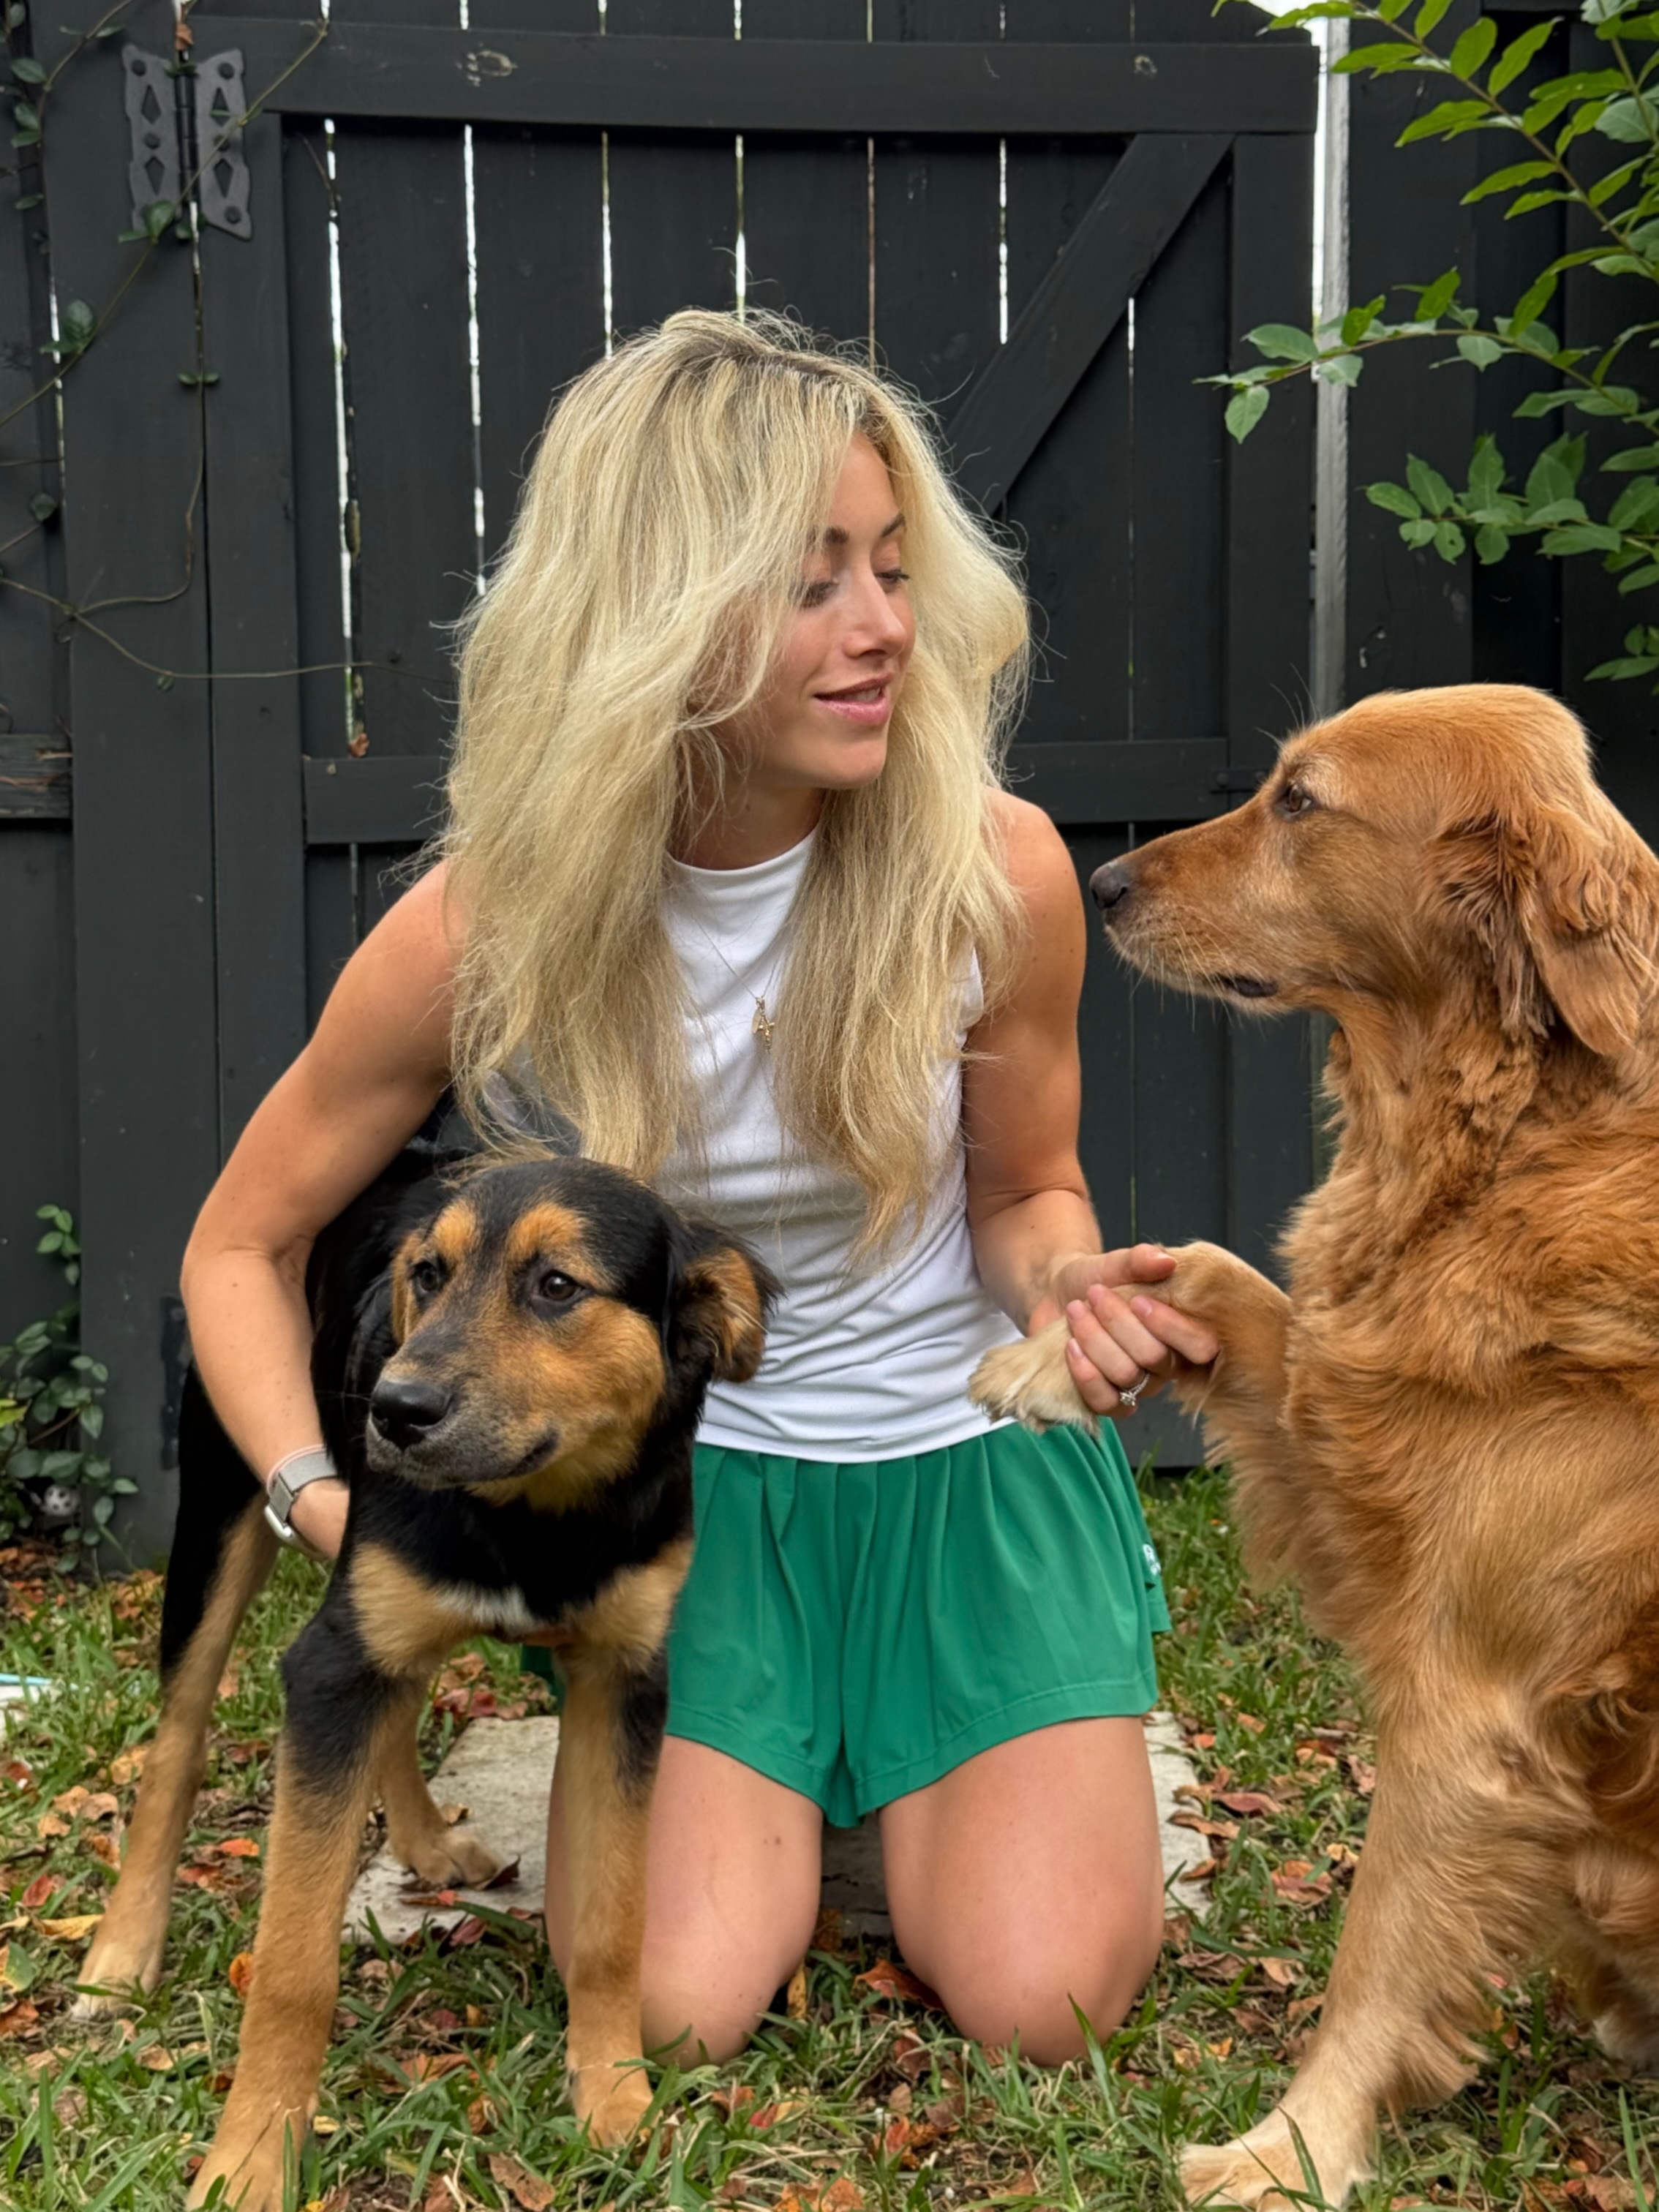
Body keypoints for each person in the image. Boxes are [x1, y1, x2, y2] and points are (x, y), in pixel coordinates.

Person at [180, 309, 1219, 2071]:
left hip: (963, 1461)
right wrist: (313, 1499)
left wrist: (1069, 1289)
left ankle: (915, 1761)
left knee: (1043, 2002)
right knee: (671, 2007)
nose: (882, 626)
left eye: (892, 568)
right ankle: (806, 1771)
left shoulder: (994, 872)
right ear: (657, 610)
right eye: (812, 582)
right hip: (696, 1508)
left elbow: (1028, 1193)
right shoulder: (490, 926)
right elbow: (241, 1242)